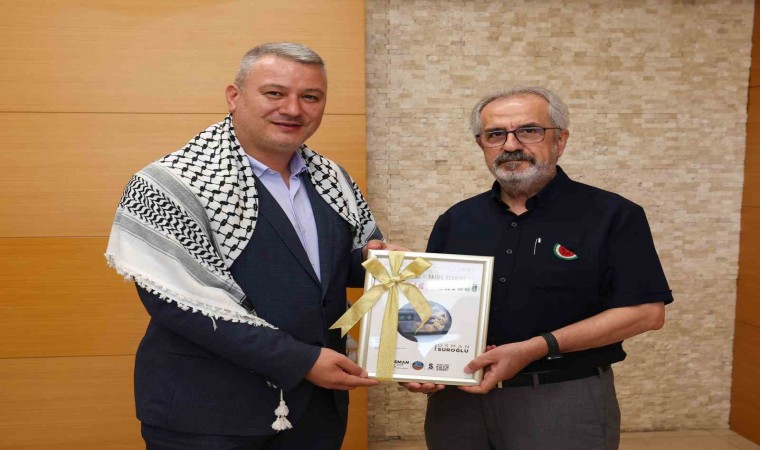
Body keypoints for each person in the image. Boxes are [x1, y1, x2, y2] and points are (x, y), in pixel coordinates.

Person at [106, 42, 395, 449]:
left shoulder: (333, 179)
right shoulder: (168, 185)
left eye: (310, 97)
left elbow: (334, 269)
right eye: (275, 93)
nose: (293, 109)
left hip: (314, 413)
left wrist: (377, 263)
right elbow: (180, 302)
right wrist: (301, 361)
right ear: (234, 96)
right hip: (208, 415)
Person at [404, 86, 673, 450]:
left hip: (561, 400)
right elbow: (432, 311)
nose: (511, 145)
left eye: (529, 131)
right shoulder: (456, 219)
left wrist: (535, 347)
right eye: (495, 134)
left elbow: (646, 314)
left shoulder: (614, 215)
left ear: (560, 140)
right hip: (457, 401)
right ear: (481, 144)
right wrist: (415, 363)